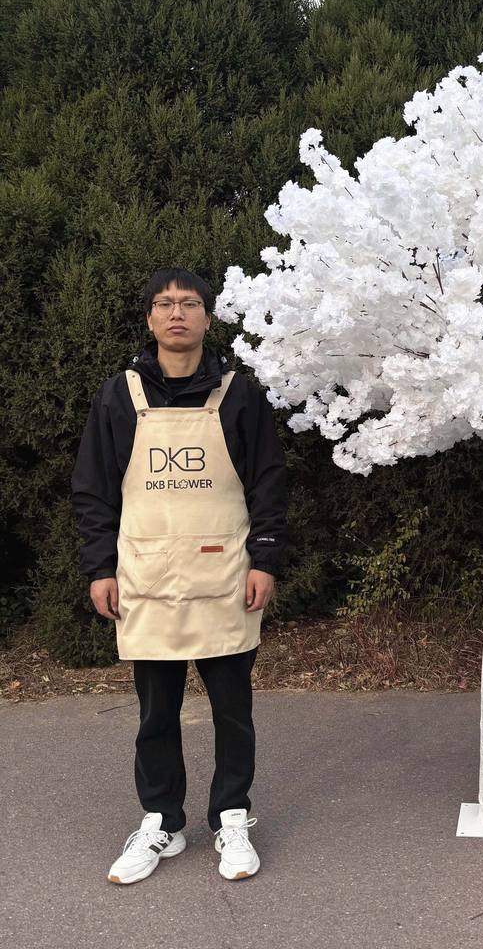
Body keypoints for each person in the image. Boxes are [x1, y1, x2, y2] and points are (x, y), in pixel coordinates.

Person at [71, 268, 288, 884]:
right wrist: (100, 567)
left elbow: (269, 481)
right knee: (155, 715)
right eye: (164, 305)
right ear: (149, 319)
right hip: (145, 579)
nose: (176, 314)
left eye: (189, 304)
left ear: (206, 318)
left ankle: (231, 817)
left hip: (226, 578)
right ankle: (162, 822)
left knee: (233, 710)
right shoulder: (119, 396)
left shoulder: (239, 395)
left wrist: (265, 558)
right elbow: (93, 489)